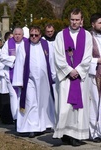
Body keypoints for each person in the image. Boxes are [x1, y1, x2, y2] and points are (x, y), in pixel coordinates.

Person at [53, 8, 93, 146]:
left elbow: (88, 56)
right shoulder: (60, 35)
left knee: (79, 109)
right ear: (69, 19)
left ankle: (76, 135)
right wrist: (69, 70)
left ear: (81, 20)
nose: (74, 22)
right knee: (65, 106)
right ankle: (64, 133)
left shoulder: (87, 35)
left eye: (77, 20)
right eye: (72, 19)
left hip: (80, 79)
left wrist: (79, 70)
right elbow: (57, 56)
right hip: (66, 78)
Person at [12, 26, 56, 138]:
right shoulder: (24, 46)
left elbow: (51, 60)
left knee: (44, 103)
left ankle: (45, 125)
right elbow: (19, 63)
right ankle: (32, 127)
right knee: (31, 102)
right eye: (32, 35)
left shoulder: (46, 45)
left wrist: (54, 76)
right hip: (29, 80)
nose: (34, 37)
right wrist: (19, 81)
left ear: (40, 35)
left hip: (44, 80)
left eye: (36, 35)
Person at [89, 13, 101, 143]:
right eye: (100, 23)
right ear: (93, 24)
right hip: (94, 74)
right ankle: (94, 132)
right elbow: (84, 58)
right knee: (94, 104)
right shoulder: (88, 38)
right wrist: (97, 60)